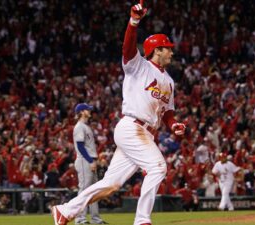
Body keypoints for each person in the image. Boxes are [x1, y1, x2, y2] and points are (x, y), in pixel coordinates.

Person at [51, 1, 186, 225]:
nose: (171, 51)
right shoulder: (139, 66)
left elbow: (168, 111)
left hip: (145, 133)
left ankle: (65, 210)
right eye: (167, 47)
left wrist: (173, 125)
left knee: (111, 184)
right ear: (156, 51)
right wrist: (133, 22)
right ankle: (142, 220)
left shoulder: (169, 81)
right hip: (132, 127)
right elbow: (128, 48)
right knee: (158, 166)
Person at [72, 103, 107, 225]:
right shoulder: (79, 127)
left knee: (94, 191)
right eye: (87, 109)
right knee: (84, 190)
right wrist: (90, 160)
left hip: (90, 160)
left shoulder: (86, 126)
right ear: (81, 112)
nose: (89, 111)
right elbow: (80, 146)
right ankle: (80, 219)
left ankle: (95, 219)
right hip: (84, 160)